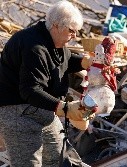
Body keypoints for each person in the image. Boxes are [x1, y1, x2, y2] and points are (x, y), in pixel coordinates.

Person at [0, 1, 93, 166]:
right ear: (56, 26)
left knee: (59, 159)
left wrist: (84, 62)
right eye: (72, 31)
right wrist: (65, 108)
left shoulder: (51, 40)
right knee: (28, 163)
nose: (75, 37)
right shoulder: (34, 47)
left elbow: (63, 59)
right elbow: (30, 90)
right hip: (17, 111)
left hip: (40, 108)